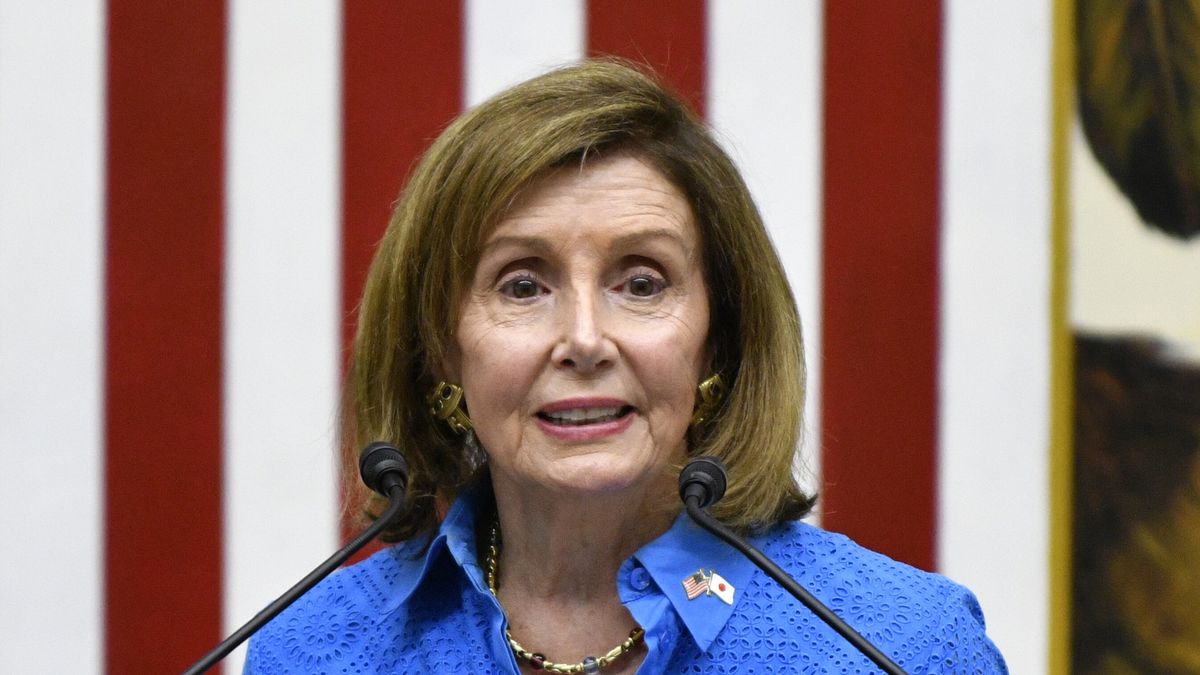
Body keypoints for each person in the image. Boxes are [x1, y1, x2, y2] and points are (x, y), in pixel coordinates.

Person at [245, 60, 1007, 673]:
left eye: (641, 283)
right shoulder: (317, 650)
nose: (584, 339)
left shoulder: (901, 647)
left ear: (720, 335)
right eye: (522, 285)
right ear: (440, 348)